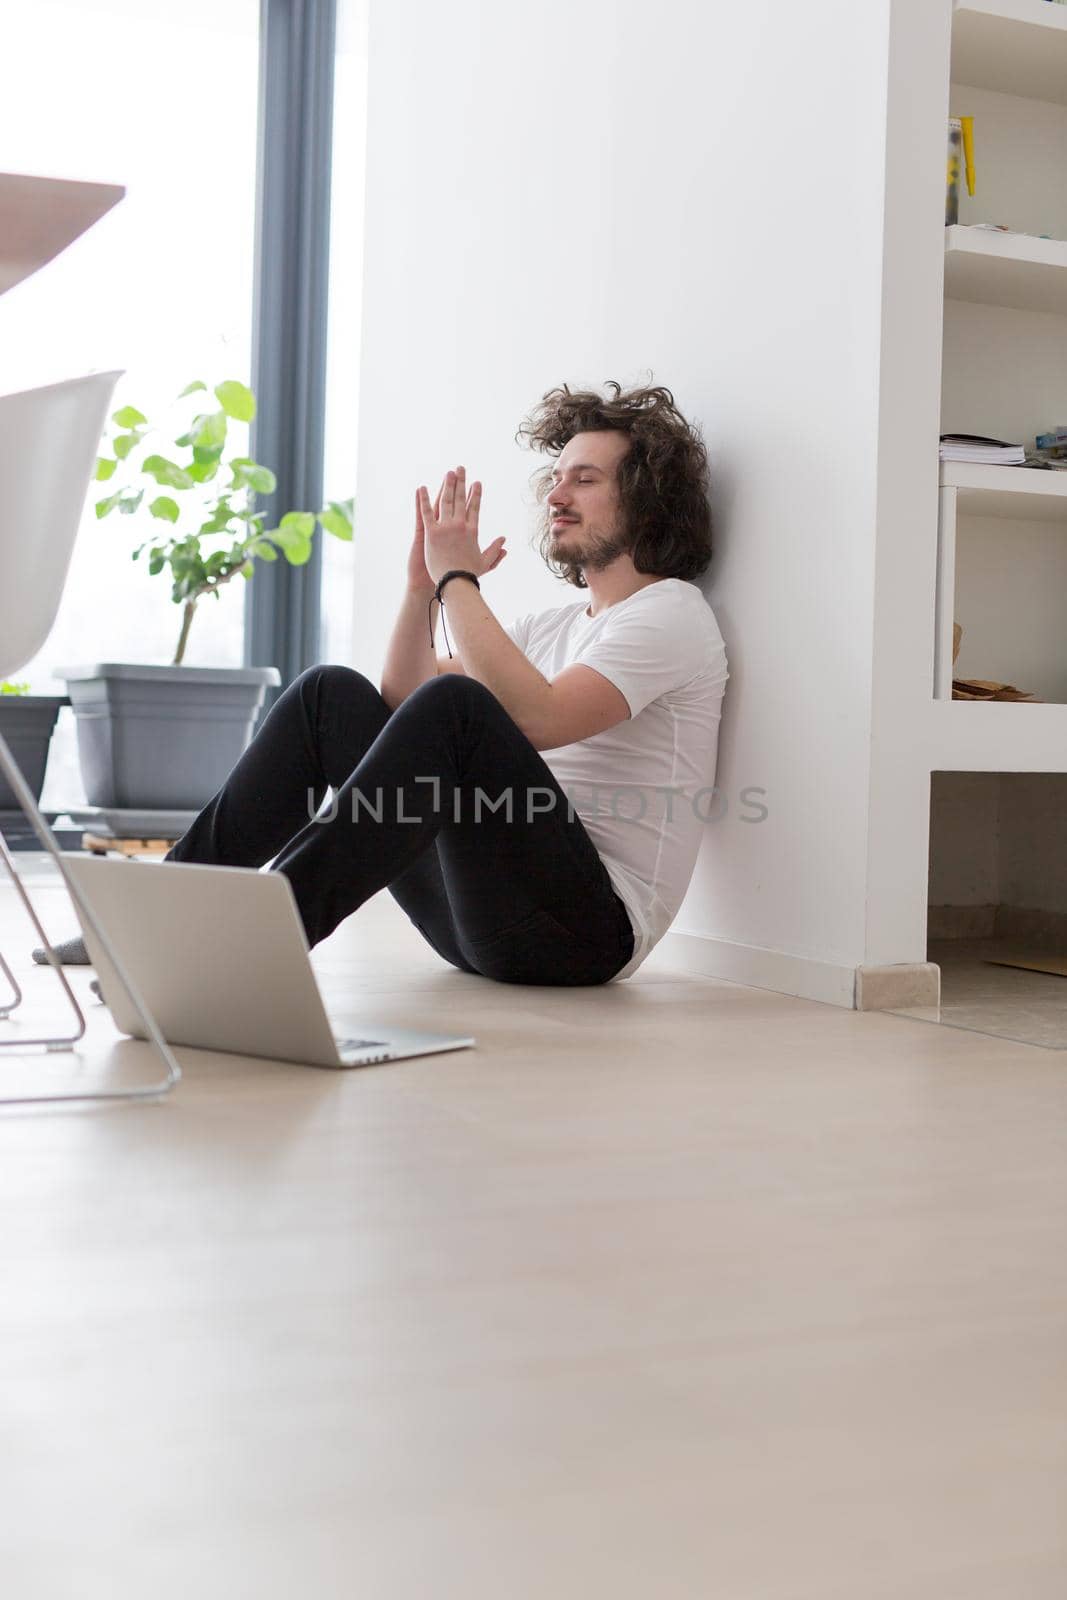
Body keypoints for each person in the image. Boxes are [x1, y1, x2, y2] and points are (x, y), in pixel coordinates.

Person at [37, 379, 728, 986]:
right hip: (479, 922)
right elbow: (404, 697)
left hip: (584, 935)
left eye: (584, 478)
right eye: (557, 476)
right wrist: (420, 587)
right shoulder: (551, 626)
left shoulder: (669, 612)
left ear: (643, 498)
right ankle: (148, 924)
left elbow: (539, 719)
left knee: (458, 704)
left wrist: (460, 581)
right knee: (327, 695)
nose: (556, 493)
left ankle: (244, 946)